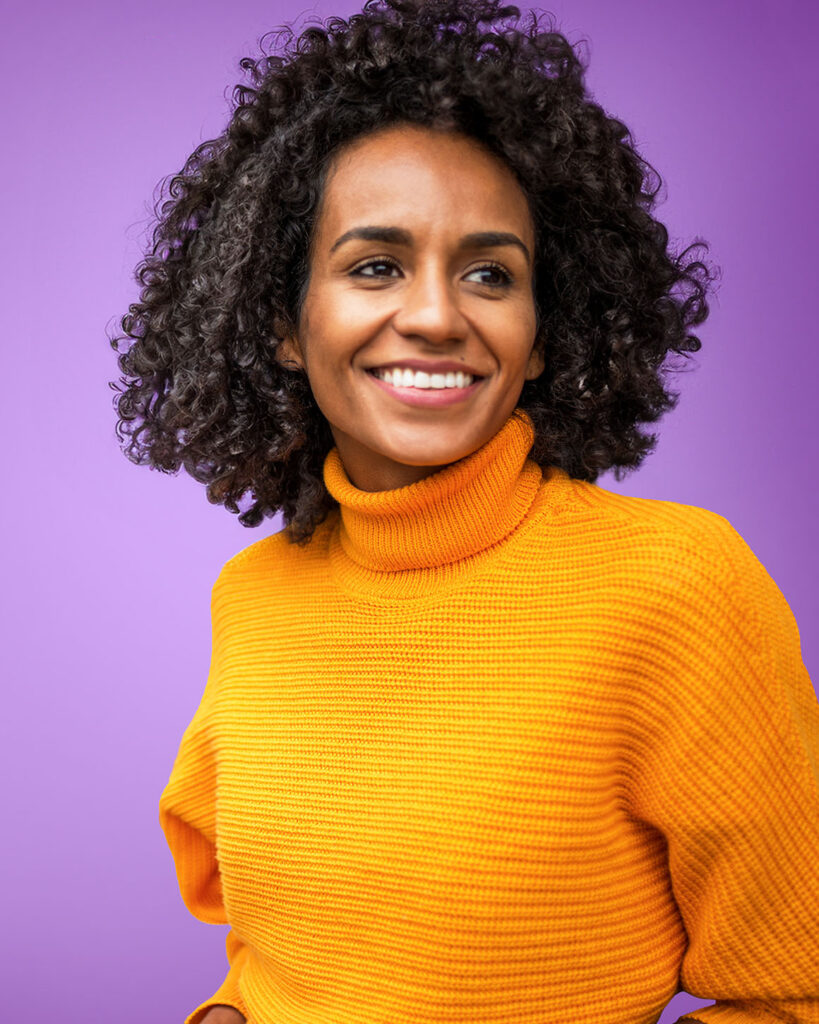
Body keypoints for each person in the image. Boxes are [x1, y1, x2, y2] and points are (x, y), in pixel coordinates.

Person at [108, 1, 819, 1022]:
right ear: (283, 327)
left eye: (492, 273)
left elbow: (798, 994)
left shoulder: (677, 589)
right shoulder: (254, 596)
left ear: (540, 336)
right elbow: (289, 951)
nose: (439, 315)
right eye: (375, 266)